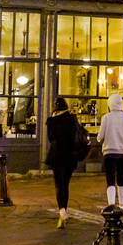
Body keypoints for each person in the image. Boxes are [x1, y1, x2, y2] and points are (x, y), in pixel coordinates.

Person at [45, 97, 83, 229]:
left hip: (57, 156)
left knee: (58, 184)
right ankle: (65, 209)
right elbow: (77, 135)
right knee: (65, 184)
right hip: (70, 156)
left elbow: (50, 138)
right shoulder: (72, 118)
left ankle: (61, 210)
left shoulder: (51, 121)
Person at [97, 93, 123, 211]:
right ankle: (122, 206)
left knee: (110, 180)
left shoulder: (106, 118)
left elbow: (100, 136)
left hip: (109, 152)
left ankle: (111, 205)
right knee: (121, 180)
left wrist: (100, 139)